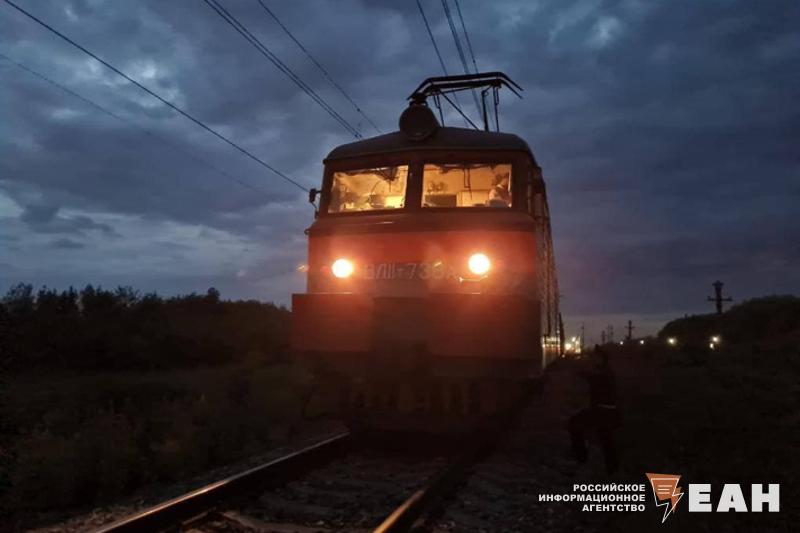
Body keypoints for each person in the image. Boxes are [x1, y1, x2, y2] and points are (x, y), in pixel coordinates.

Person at [568, 346, 620, 473]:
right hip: (606, 411)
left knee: (574, 424)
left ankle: (582, 458)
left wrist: (580, 372)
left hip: (603, 412)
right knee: (606, 440)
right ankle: (611, 469)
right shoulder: (605, 371)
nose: (593, 359)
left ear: (601, 359)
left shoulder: (604, 373)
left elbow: (594, 378)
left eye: (595, 357)